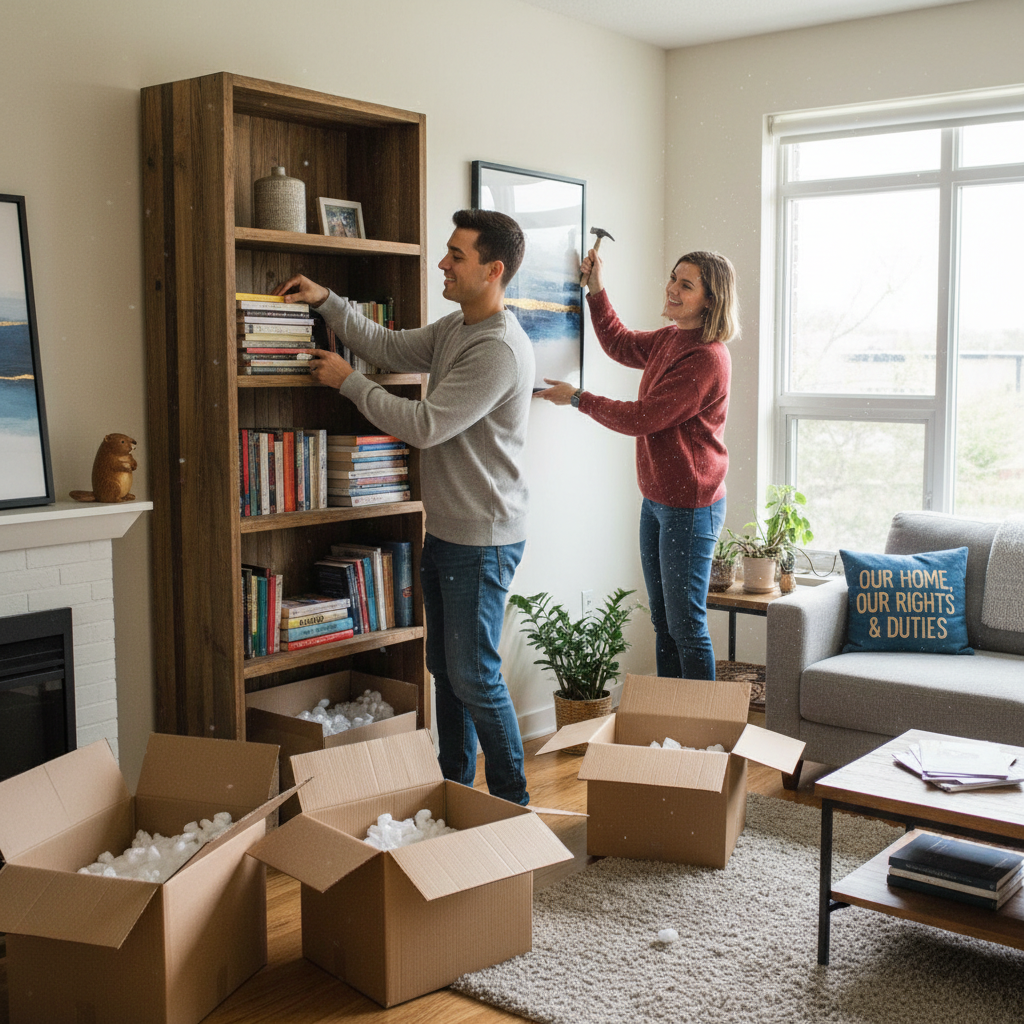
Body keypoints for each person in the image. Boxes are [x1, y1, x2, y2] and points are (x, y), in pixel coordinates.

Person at [273, 209, 534, 805]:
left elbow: (423, 425)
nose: (442, 263)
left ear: (492, 270)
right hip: (449, 530)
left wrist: (347, 381)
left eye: (456, 255)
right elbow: (389, 345)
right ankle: (455, 791)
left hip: (484, 538)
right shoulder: (457, 327)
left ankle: (514, 805)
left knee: (475, 676)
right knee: (446, 670)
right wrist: (326, 300)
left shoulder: (499, 350)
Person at [536, 248, 736, 681]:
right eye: (673, 278)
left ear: (711, 299)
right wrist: (596, 289)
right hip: (657, 500)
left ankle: (704, 736)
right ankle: (667, 726)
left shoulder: (706, 357)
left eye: (686, 284)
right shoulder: (671, 338)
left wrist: (578, 398)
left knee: (686, 626)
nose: (672, 288)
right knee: (663, 623)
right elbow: (620, 343)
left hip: (690, 506)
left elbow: (642, 418)